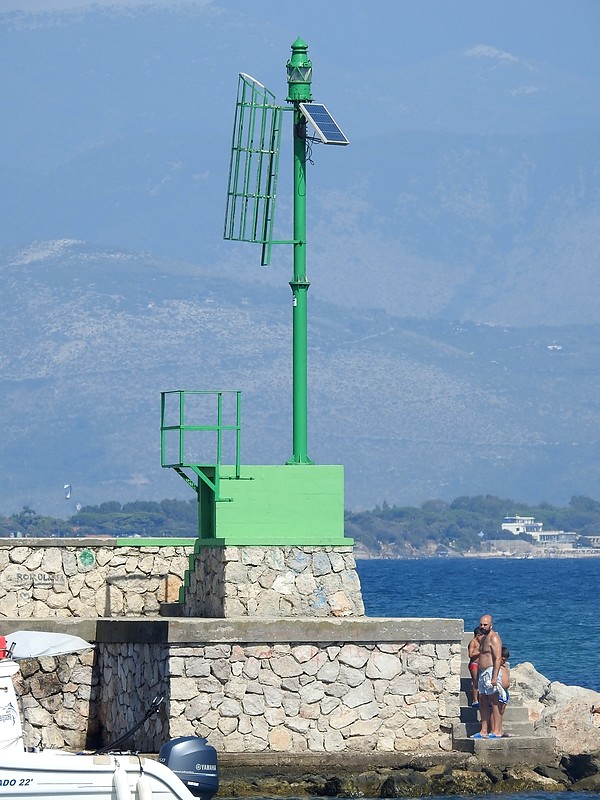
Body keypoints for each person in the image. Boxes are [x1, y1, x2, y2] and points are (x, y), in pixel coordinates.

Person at [471, 613, 504, 739]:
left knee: (494, 701)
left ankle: (496, 730)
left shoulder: (493, 638)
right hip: (483, 672)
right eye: (481, 624)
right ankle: (483, 730)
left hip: (491, 671)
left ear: (491, 625)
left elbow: (497, 658)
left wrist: (495, 676)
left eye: (485, 624)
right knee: (483, 701)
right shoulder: (484, 638)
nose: (482, 626)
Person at [467, 626, 483, 708]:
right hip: (474, 664)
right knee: (475, 681)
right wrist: (480, 652)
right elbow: (470, 655)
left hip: (481, 664)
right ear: (478, 635)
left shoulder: (482, 643)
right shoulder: (473, 642)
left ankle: (481, 699)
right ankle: (475, 700)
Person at [497, 646, 510, 734]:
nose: (504, 659)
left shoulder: (504, 667)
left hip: (505, 692)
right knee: (497, 711)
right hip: (499, 691)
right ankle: (495, 729)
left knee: (502, 711)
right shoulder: (497, 667)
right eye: (502, 657)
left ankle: (499, 729)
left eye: (505, 658)